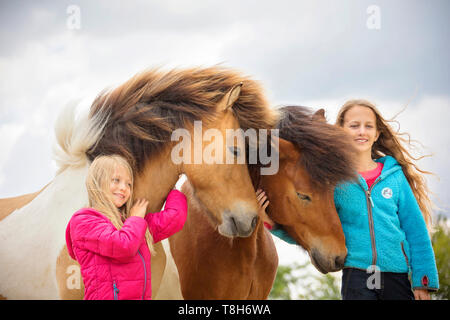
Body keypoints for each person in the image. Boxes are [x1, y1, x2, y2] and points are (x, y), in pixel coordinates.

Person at [258, 100, 439, 300]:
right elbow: (316, 224)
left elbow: (416, 230)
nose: (362, 131)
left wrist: (423, 281)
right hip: (357, 275)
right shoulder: (335, 184)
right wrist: (272, 224)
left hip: (395, 275)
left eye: (368, 126)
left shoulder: (395, 177)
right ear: (341, 132)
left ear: (377, 133)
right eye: (354, 126)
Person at [65, 154, 187, 300]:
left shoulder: (131, 224)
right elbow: (123, 246)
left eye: (128, 184)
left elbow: (174, 218)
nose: (123, 188)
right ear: (97, 182)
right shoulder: (84, 221)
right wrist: (135, 218)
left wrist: (172, 187)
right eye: (116, 180)